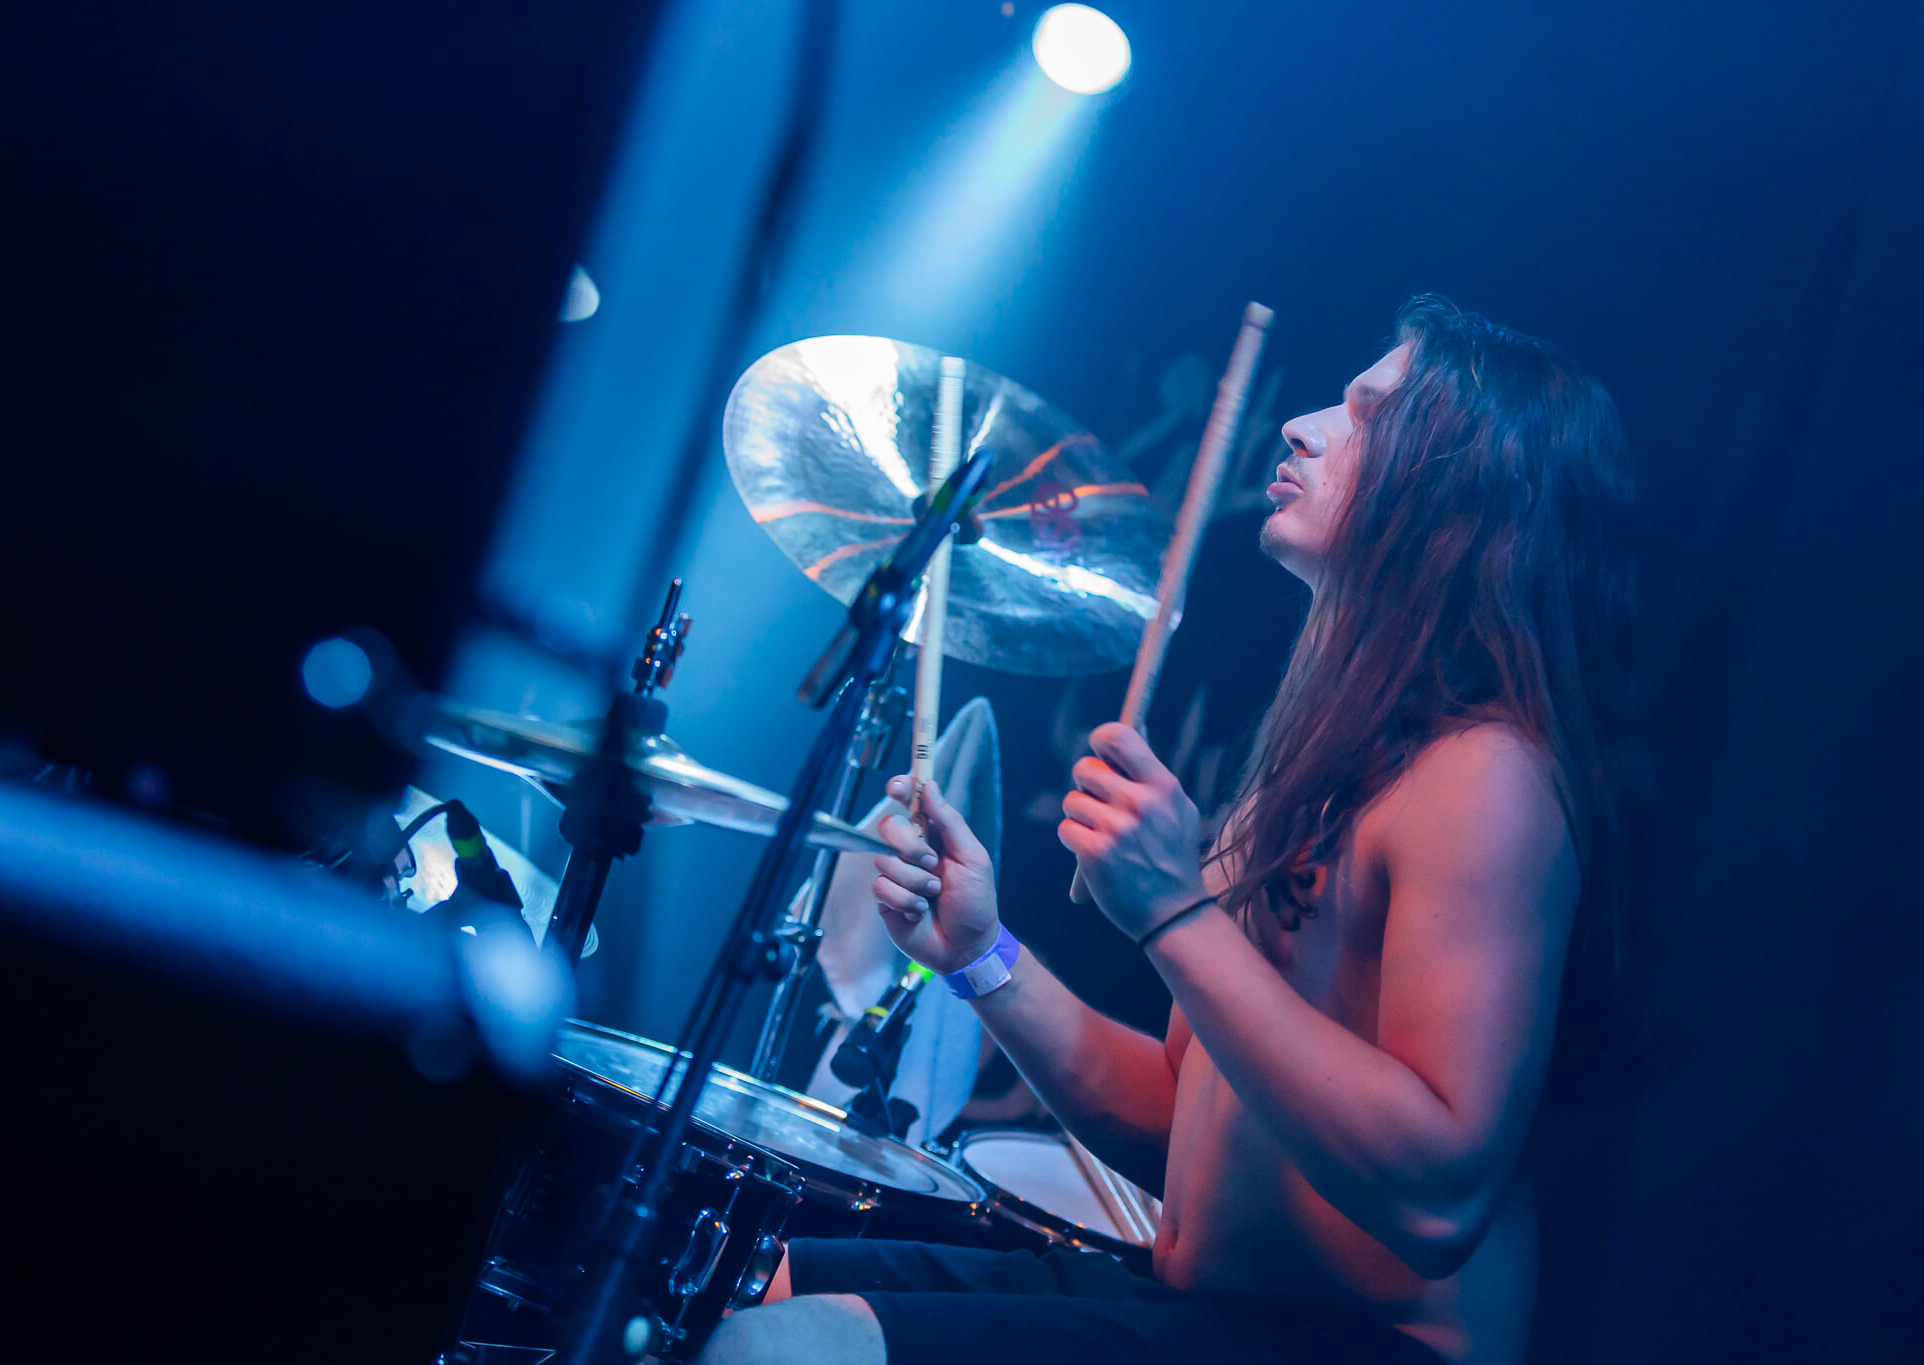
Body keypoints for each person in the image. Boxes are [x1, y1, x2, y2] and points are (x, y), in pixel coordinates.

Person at [701, 297, 1639, 1365]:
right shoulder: (1309, 767)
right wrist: (978, 954)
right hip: (1199, 1310)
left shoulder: (1484, 772)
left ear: (1462, 493)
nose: (1302, 427)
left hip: (1367, 1347)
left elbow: (1437, 1196)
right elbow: (1182, 1120)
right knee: (769, 1280)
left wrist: (1177, 913)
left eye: (1370, 415)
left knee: (790, 1351)